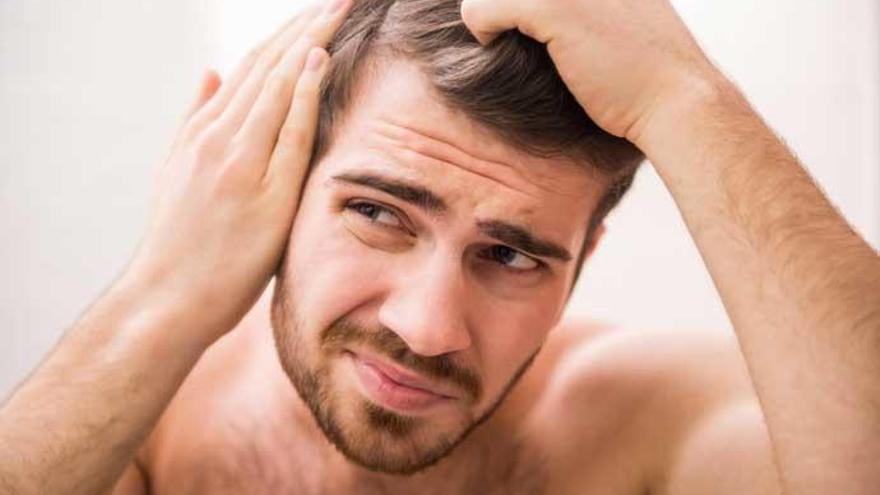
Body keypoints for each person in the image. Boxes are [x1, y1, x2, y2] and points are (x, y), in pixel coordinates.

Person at [1, 0, 877, 493]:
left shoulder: (635, 434)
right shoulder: (146, 430)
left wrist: (685, 98)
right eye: (380, 213)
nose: (426, 330)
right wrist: (163, 288)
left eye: (511, 255)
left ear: (585, 258)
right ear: (250, 176)